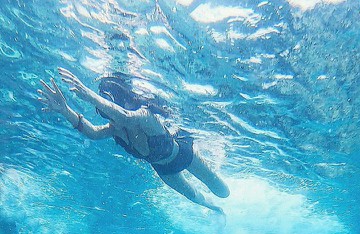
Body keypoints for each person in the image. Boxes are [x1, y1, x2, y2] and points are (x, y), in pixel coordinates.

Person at [38, 68, 230, 213]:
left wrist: (88, 94)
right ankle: (217, 210)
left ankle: (220, 183)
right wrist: (65, 110)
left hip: (183, 154)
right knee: (196, 198)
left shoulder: (143, 115)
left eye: (108, 102)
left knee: (223, 192)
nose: (104, 112)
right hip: (163, 169)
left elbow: (125, 117)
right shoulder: (115, 130)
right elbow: (92, 133)